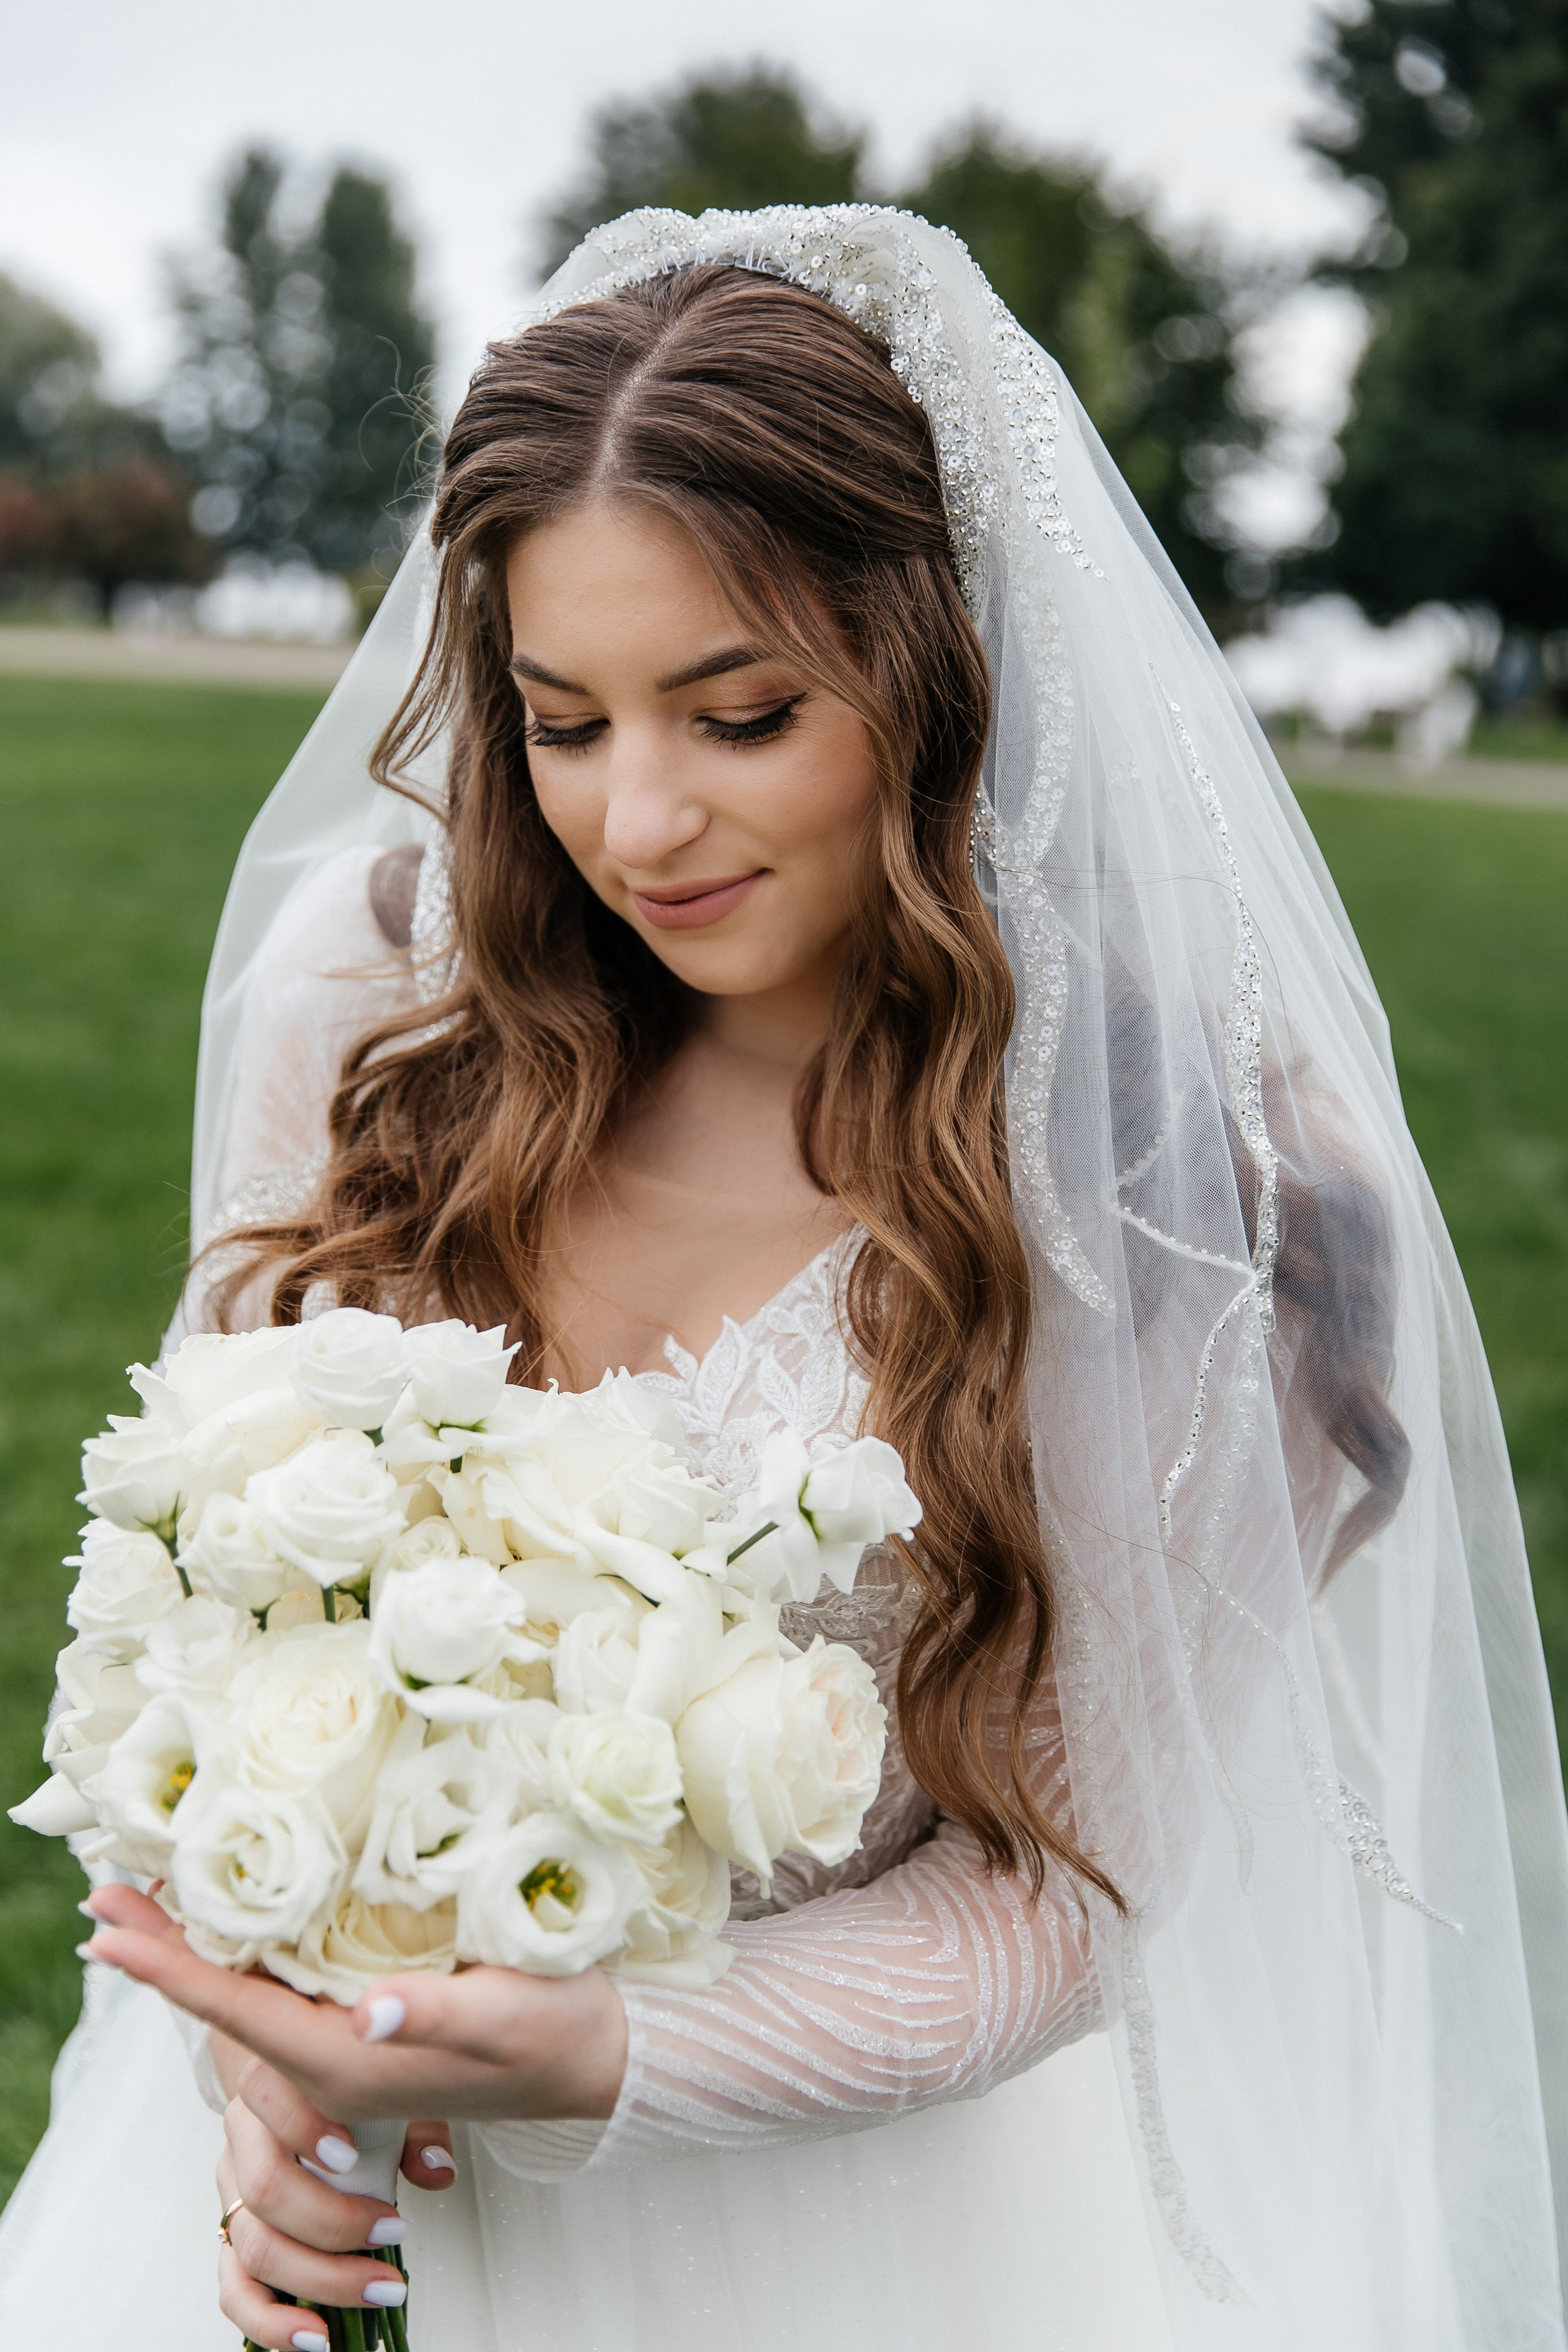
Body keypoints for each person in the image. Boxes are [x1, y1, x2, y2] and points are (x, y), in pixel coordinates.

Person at [2, 205, 1564, 2351]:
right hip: (311, 2193)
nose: (636, 823)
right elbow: (201, 1640)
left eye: (739, 715)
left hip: (857, 2239)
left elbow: (1061, 1890)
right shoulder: (367, 1008)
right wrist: (264, 2067)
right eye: (561, 721)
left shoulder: (1178, 1187)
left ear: (943, 682)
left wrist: (607, 2058)